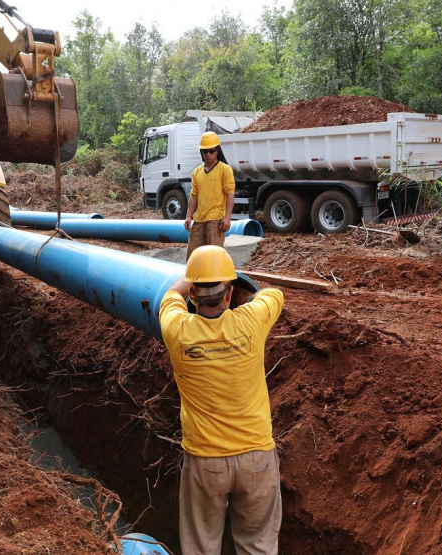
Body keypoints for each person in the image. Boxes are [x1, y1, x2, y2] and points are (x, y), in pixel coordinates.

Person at [158, 245, 284, 555]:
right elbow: (273, 294)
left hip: (205, 462)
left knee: (202, 547)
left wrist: (194, 275)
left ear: (193, 297)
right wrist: (235, 283)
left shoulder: (176, 328)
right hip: (256, 456)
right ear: (229, 294)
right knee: (258, 547)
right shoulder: (251, 321)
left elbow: (171, 295)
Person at [184, 132, 235, 260]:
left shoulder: (225, 169)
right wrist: (189, 216)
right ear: (201, 152)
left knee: (214, 258)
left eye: (211, 151)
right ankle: (194, 279)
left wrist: (227, 217)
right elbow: (194, 196)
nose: (208, 154)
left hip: (215, 220)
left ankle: (217, 280)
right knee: (193, 257)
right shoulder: (197, 172)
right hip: (199, 220)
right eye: (205, 151)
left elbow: (229, 194)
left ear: (217, 151)